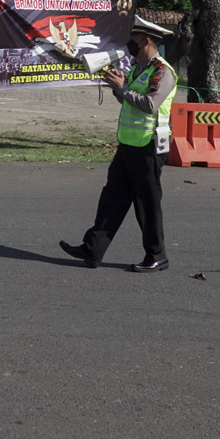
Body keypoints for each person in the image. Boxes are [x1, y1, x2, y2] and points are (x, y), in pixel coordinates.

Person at [60, 21, 177, 273]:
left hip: (149, 145)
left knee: (147, 203)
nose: (129, 45)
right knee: (112, 198)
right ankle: (92, 249)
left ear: (146, 40)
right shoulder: (137, 67)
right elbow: (128, 100)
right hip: (128, 143)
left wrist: (122, 88)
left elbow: (149, 105)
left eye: (133, 39)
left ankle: (157, 255)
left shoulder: (162, 71)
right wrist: (117, 87)